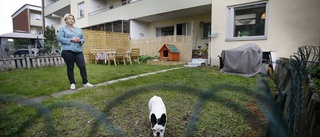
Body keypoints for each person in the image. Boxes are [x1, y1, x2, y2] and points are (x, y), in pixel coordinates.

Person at [56, 13, 94, 90]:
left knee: (82, 66)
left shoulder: (78, 29)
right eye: (69, 18)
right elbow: (59, 38)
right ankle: (72, 83)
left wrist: (80, 40)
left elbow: (83, 39)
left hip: (78, 50)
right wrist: (70, 39)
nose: (71, 20)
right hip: (67, 50)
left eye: (72, 18)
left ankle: (85, 82)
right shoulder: (62, 29)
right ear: (66, 20)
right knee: (70, 67)